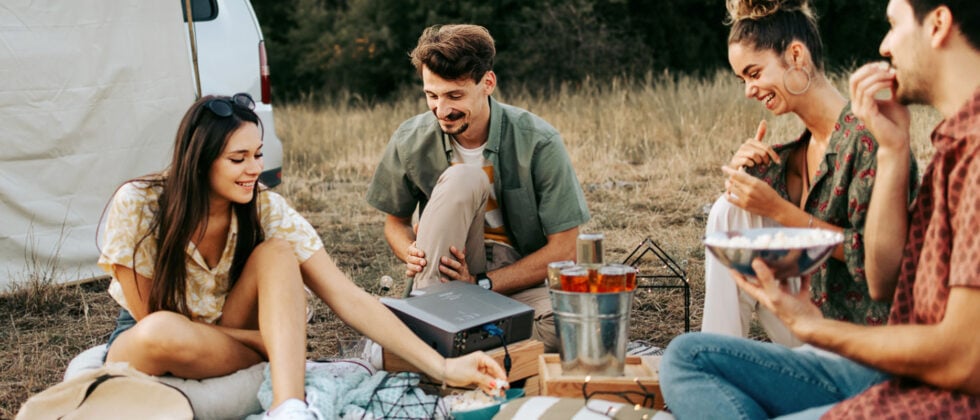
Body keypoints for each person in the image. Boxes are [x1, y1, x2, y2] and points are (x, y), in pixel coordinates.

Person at [98, 93, 507, 420]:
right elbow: (151, 320)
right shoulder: (140, 204)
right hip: (156, 342)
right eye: (237, 159)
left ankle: (289, 407)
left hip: (223, 337)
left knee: (277, 251)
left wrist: (443, 367)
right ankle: (274, 345)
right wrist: (269, 340)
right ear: (200, 162)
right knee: (162, 330)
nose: (253, 168)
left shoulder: (263, 208)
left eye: (258, 154)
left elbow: (349, 298)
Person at [661, 0, 980, 417]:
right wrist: (894, 149)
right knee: (684, 354)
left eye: (892, 25)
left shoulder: (939, 147)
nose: (883, 46)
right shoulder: (945, 146)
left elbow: (955, 351)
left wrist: (814, 324)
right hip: (860, 347)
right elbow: (890, 280)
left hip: (878, 351)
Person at [700, 0, 917, 346]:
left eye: (754, 73)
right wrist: (744, 181)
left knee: (684, 358)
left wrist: (777, 209)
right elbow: (745, 220)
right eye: (742, 78)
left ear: (797, 56)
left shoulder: (868, 140)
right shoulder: (794, 154)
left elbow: (879, 264)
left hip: (862, 336)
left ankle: (716, 362)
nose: (748, 90)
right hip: (808, 317)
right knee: (729, 210)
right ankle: (718, 355)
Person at [365, 24, 590, 352]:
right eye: (432, 95)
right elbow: (395, 223)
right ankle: (439, 322)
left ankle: (437, 342)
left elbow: (565, 249)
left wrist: (482, 285)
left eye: (454, 95)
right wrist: (408, 250)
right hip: (444, 276)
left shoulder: (539, 141)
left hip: (517, 278)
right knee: (465, 177)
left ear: (487, 83)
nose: (442, 110)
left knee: (576, 328)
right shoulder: (409, 139)